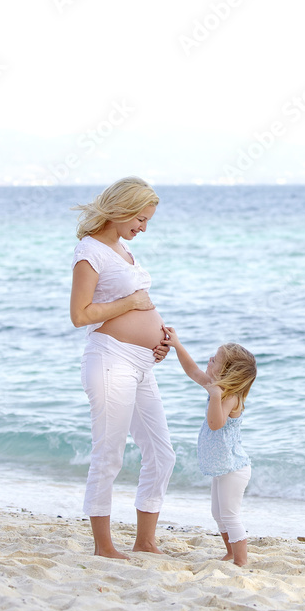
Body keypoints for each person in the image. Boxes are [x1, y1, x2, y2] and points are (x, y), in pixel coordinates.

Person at [69, 176, 177, 560]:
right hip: (110, 359)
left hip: (141, 364)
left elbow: (137, 302)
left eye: (147, 221)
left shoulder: (121, 249)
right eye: (141, 219)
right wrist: (132, 305)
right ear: (122, 209)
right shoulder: (90, 252)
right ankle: (103, 546)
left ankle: (145, 541)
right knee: (109, 453)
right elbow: (80, 315)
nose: (143, 228)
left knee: (162, 454)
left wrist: (159, 341)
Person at [166, 328, 257, 566]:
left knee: (230, 514)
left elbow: (215, 424)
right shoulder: (215, 387)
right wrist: (177, 344)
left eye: (215, 360)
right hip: (222, 467)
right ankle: (229, 552)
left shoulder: (230, 397)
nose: (209, 360)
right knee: (218, 514)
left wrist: (215, 396)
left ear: (226, 372)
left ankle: (241, 560)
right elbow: (192, 370)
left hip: (233, 469)